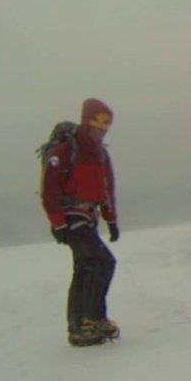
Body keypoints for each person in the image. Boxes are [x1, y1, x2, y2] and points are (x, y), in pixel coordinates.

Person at [40, 98, 120, 347]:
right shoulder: (65, 151)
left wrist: (111, 219)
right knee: (101, 262)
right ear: (88, 120)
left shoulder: (100, 154)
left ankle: (83, 323)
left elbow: (106, 189)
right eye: (99, 122)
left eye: (107, 124)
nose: (103, 128)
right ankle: (89, 319)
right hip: (71, 217)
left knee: (86, 267)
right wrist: (58, 222)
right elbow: (50, 189)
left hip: (88, 218)